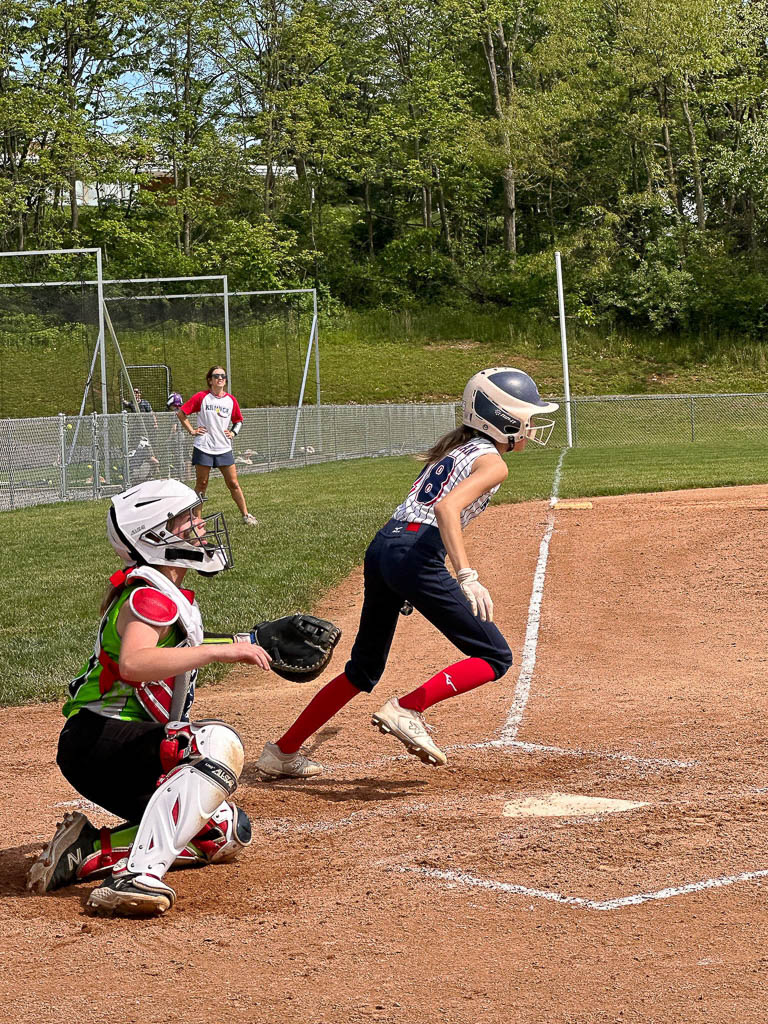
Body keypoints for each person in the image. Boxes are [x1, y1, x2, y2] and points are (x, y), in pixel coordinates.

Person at [255, 368, 559, 780]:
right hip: (415, 552)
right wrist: (466, 575)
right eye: (526, 415)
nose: (532, 424)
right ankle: (409, 708)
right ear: (500, 417)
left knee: (362, 670)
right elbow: (446, 509)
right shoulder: (491, 462)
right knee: (494, 655)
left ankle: (282, 751)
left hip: (385, 547)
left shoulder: (456, 450)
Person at [26, 479, 273, 917]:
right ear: (155, 535)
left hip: (114, 745)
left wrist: (249, 641)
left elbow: (171, 650)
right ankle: (137, 876)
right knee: (216, 744)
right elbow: (136, 664)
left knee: (223, 832)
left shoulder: (160, 591)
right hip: (101, 739)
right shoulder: (150, 596)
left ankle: (88, 849)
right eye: (189, 519)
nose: (201, 527)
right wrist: (224, 651)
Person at [176, 366, 258, 526]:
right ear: (210, 380)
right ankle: (197, 521)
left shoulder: (231, 400)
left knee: (233, 483)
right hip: (203, 447)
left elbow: (238, 420)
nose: (220, 378)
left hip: (224, 448)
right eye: (216, 376)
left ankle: (246, 515)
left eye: (223, 376)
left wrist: (233, 433)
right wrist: (192, 430)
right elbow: (181, 413)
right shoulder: (201, 397)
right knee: (202, 484)